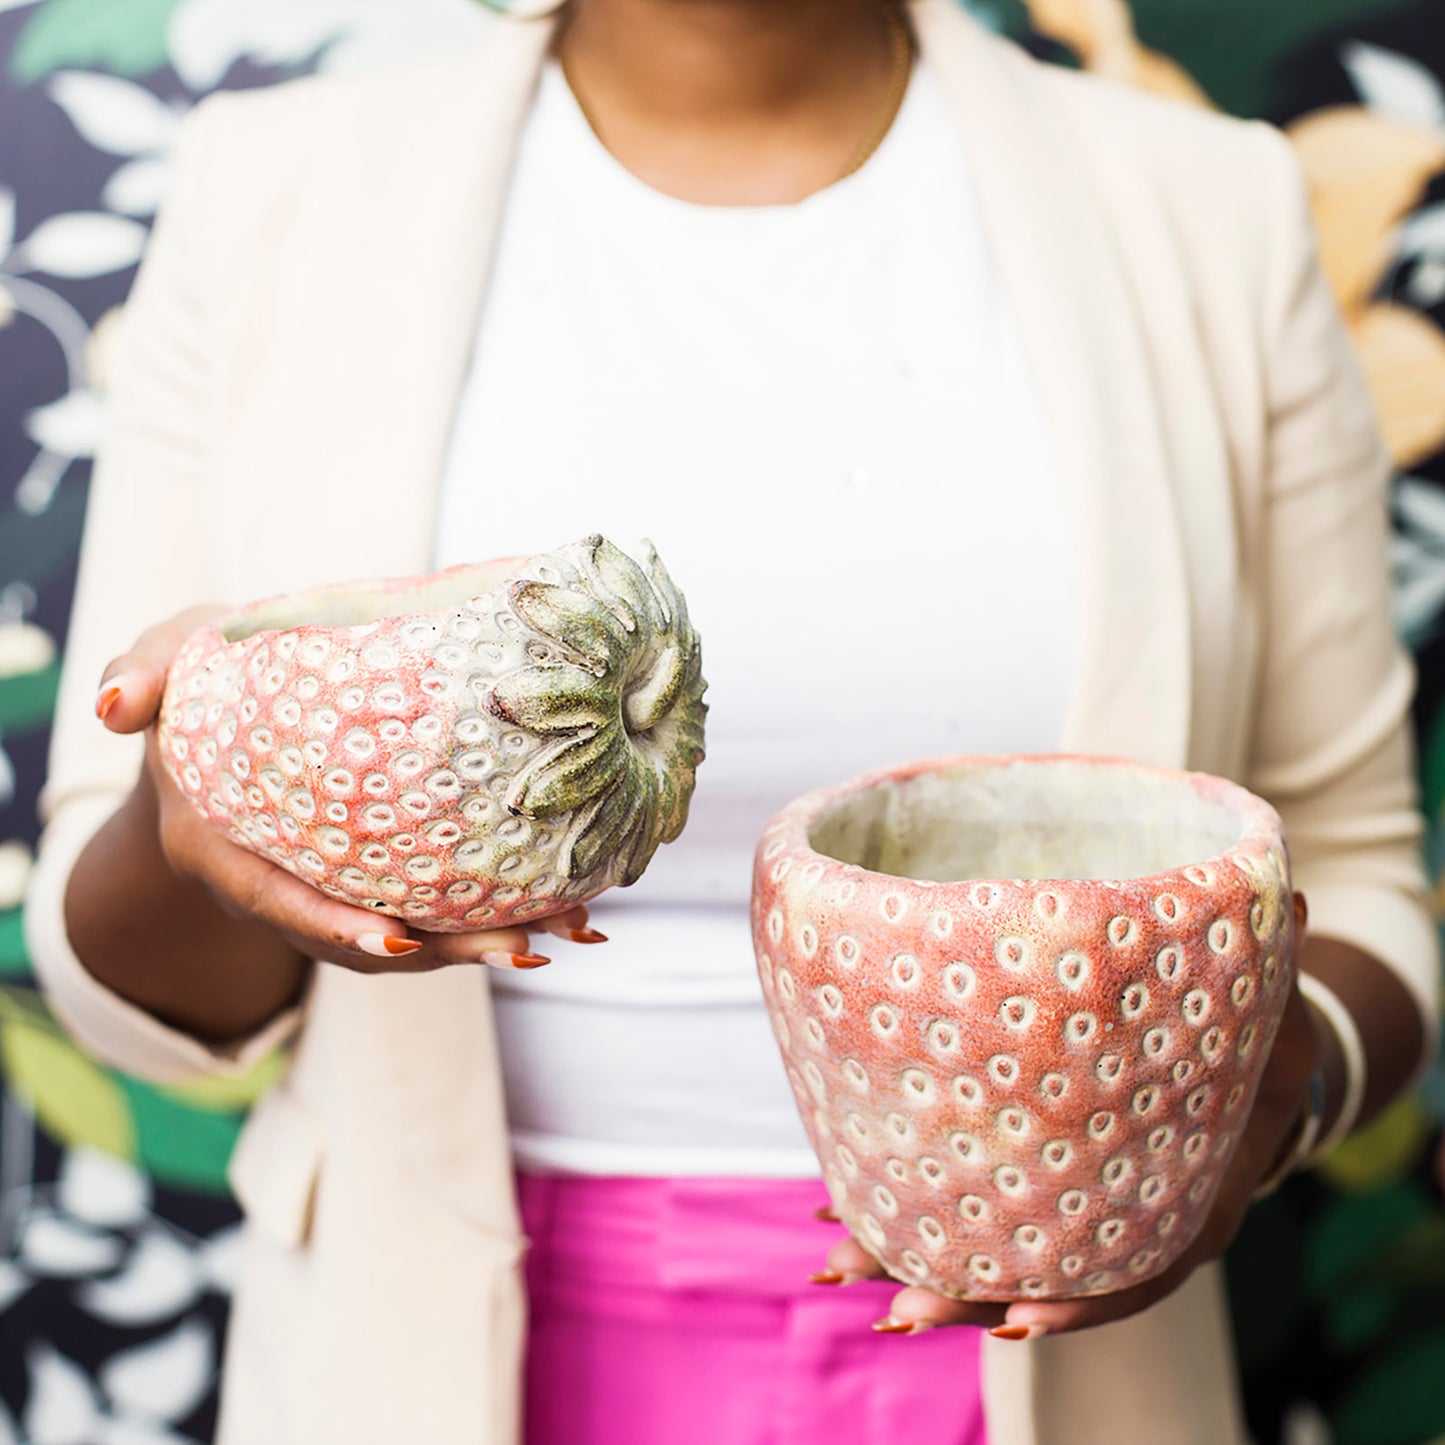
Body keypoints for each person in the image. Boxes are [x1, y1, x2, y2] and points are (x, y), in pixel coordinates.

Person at [22, 0, 1437, 1441]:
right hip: (432, 1351)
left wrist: (1267, 1084)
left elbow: (1362, 872)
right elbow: (115, 979)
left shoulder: (1208, 205)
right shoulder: (273, 189)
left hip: (1059, 1352)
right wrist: (196, 812)